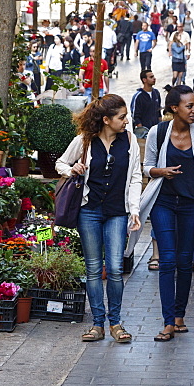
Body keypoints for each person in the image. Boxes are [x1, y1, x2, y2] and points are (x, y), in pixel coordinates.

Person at [56, 95, 142, 344]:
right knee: (93, 269)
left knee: (115, 268)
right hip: (89, 211)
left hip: (117, 211)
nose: (126, 121)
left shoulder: (130, 141)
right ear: (106, 120)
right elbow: (61, 163)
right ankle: (97, 324)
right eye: (121, 117)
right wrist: (72, 170)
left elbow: (135, 176)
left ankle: (115, 322)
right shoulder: (84, 141)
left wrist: (134, 210)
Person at [139, 86, 194, 342]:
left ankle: (180, 315)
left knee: (184, 261)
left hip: (191, 203)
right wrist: (161, 172)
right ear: (174, 108)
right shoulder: (157, 133)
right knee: (167, 260)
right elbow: (146, 167)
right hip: (164, 202)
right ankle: (168, 321)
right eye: (189, 106)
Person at [130, 70, 161, 139]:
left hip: (156, 130)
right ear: (144, 80)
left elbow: (158, 112)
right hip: (145, 134)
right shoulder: (138, 96)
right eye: (151, 77)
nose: (154, 78)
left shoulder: (156, 93)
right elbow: (135, 116)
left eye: (154, 76)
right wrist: (141, 131)